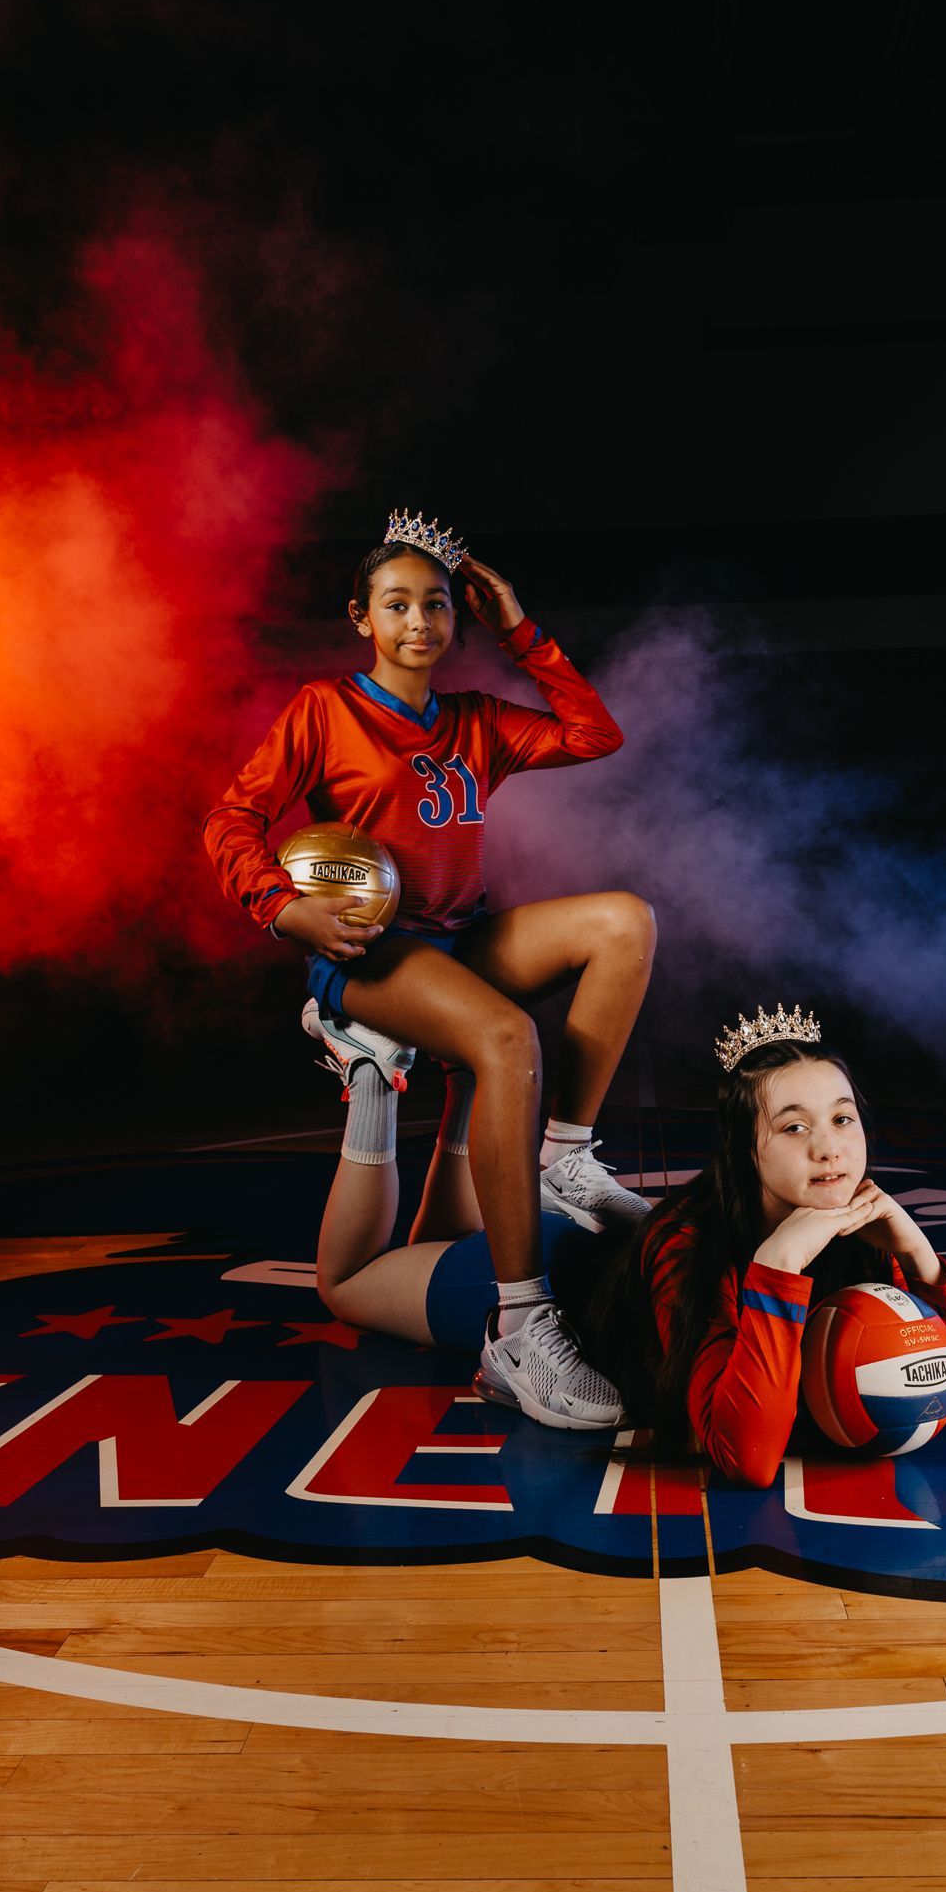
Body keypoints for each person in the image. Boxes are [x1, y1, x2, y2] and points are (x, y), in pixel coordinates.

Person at [203, 508, 655, 1432]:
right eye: (397, 603)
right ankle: (520, 1327)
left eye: (438, 604)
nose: (419, 620)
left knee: (624, 922)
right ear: (360, 618)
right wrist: (284, 907)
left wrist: (518, 627)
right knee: (507, 1037)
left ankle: (563, 1157)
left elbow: (594, 734)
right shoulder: (324, 711)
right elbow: (230, 819)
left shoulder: (476, 720)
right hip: (376, 952)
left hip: (460, 936)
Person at [590, 1003, 946, 1487]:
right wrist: (777, 1266)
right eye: (794, 1127)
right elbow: (747, 1459)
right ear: (745, 1148)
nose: (829, 1149)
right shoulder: (687, 1244)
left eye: (842, 1118)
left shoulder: (860, 1226)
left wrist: (920, 1259)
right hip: (581, 1291)